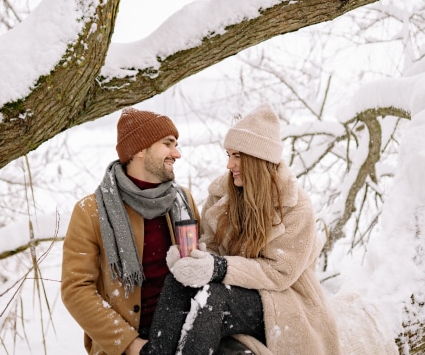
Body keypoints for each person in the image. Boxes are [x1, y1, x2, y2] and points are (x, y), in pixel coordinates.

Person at [139, 103, 341, 355]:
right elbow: (210, 247)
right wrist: (192, 260)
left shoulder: (296, 206)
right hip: (232, 287)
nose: (229, 165)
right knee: (177, 282)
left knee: (213, 297)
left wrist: (219, 268)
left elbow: (280, 273)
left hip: (280, 300)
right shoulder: (221, 194)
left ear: (258, 159)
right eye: (228, 155)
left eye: (237, 156)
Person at [61, 107, 201, 355]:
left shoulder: (183, 200)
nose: (176, 153)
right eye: (168, 144)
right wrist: (131, 345)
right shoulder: (91, 211)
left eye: (176, 144)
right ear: (139, 149)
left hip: (184, 335)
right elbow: (76, 290)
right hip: (130, 345)